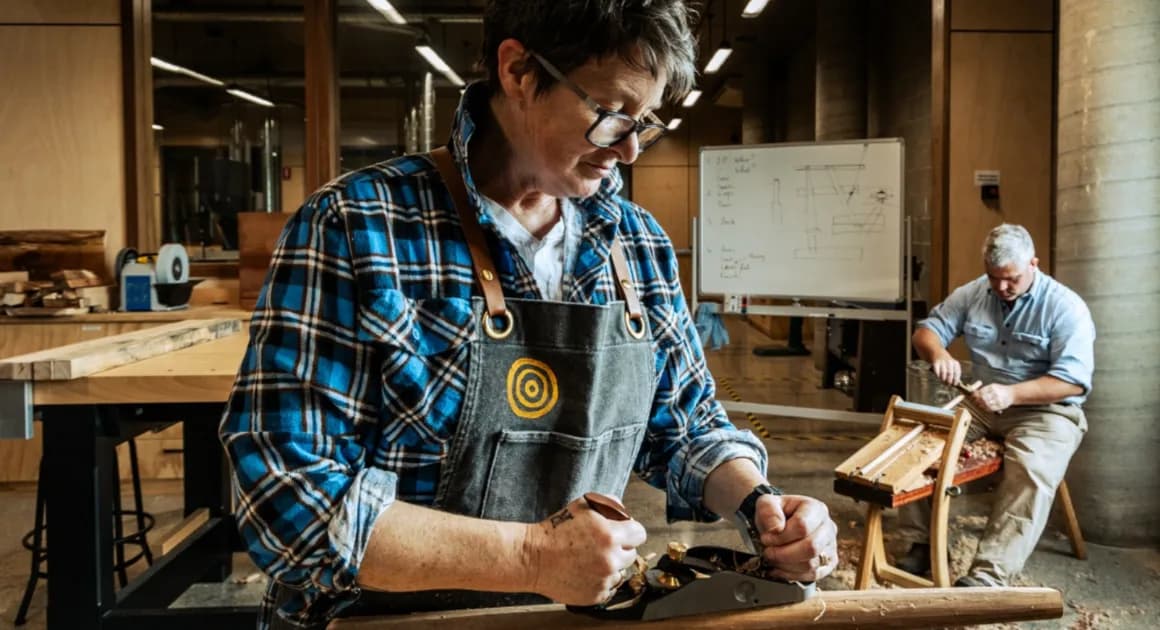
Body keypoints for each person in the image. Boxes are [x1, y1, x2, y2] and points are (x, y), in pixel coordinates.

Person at [219, 2, 837, 628]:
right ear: (518, 71)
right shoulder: (356, 226)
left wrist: (761, 505)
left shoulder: (635, 243)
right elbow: (286, 498)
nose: (628, 151)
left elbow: (685, 424)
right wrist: (530, 557)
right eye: (611, 114)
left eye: (643, 123)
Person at [897, 223, 1095, 587]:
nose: (1001, 288)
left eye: (1011, 279)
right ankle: (920, 542)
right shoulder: (974, 292)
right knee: (922, 443)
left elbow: (1072, 380)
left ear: (1034, 264)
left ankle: (989, 575)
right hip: (981, 404)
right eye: (994, 278)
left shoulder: (1066, 307)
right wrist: (938, 353)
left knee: (1031, 468)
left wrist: (1012, 394)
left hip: (1047, 411)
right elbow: (926, 331)